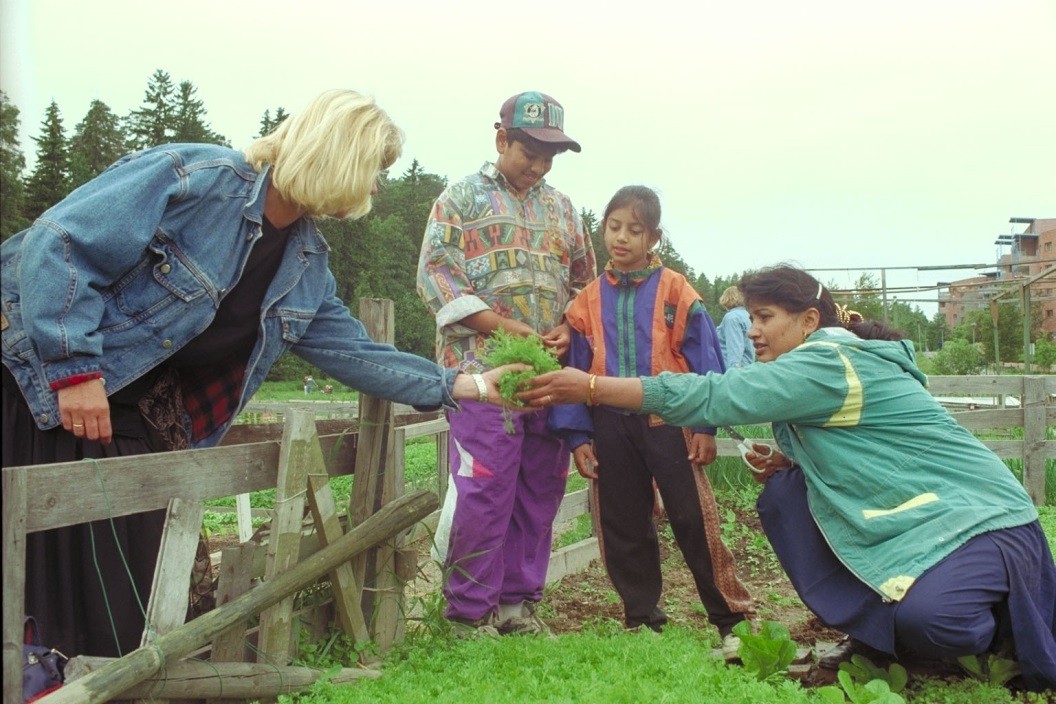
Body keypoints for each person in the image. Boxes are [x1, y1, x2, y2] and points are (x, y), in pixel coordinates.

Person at [1, 88, 510, 659]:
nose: (375, 188)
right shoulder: (196, 179)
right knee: (40, 575)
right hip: (37, 382)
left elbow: (353, 352)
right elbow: (61, 242)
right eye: (374, 171)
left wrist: (462, 386)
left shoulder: (305, 263)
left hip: (129, 405)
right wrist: (74, 368)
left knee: (122, 591)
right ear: (340, 156)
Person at [520, 264, 1056, 691]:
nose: (753, 331)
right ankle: (877, 636)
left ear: (808, 322)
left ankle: (991, 636)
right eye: (750, 317)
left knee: (940, 623)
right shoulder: (821, 370)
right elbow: (869, 449)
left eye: (765, 316)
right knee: (785, 494)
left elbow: (712, 394)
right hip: (932, 520)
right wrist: (795, 462)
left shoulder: (827, 361)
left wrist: (592, 387)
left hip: (984, 522)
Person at [416, 91, 596, 636]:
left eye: (550, 156)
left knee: (539, 489)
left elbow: (584, 282)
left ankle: (518, 605)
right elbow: (437, 278)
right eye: (530, 151)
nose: (539, 165)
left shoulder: (563, 209)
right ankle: (468, 614)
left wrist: (571, 324)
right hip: (482, 377)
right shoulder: (460, 200)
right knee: (485, 490)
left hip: (546, 379)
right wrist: (504, 326)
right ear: (501, 140)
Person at [549, 186, 753, 656]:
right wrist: (579, 435)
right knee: (620, 523)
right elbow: (573, 369)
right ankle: (641, 619)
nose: (621, 238)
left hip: (672, 421)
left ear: (653, 237)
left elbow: (706, 361)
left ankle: (731, 619)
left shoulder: (677, 292)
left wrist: (706, 425)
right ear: (603, 230)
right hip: (607, 426)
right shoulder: (585, 302)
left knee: (693, 518)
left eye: (634, 230)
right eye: (613, 227)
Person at [715, 285, 754, 369]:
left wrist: (733, 373)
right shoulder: (748, 316)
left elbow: (735, 348)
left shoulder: (731, 318)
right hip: (748, 368)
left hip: (734, 371)